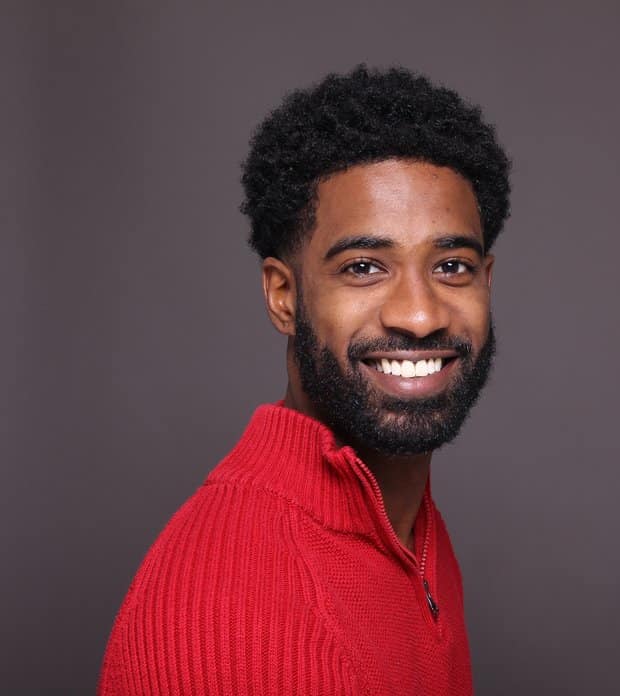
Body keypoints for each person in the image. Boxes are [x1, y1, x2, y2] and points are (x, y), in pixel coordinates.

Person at [98, 65, 511, 695]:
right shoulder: (231, 615)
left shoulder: (409, 530)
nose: (421, 315)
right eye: (365, 267)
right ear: (284, 296)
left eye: (451, 265)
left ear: (487, 281)